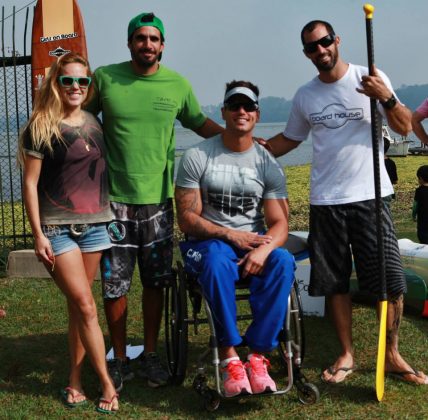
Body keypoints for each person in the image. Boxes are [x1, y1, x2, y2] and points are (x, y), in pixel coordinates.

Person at [267, 20, 428, 385]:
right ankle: (346, 354)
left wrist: (384, 96)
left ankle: (391, 354)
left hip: (371, 198)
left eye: (325, 42)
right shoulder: (306, 95)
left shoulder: (368, 77)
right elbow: (289, 140)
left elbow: (404, 127)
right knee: (335, 282)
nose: (320, 50)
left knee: (390, 282)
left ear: (336, 40)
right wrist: (250, 147)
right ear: (306, 53)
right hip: (326, 201)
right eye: (311, 47)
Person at [86, 12, 223, 390]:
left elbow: (199, 122)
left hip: (159, 204)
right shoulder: (105, 78)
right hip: (112, 202)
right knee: (115, 285)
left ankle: (148, 355)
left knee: (155, 282)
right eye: (140, 38)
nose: (147, 44)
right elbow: (80, 118)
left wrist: (237, 139)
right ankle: (118, 357)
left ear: (163, 45)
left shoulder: (176, 85)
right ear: (130, 43)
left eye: (154, 39)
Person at [175, 80, 295, 397]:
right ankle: (229, 355)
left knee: (282, 260)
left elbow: (280, 222)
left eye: (249, 106)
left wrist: (264, 249)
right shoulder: (198, 156)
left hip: (253, 242)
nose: (242, 111)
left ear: (256, 113)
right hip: (209, 242)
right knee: (215, 260)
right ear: (224, 111)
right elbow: (186, 217)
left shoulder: (267, 163)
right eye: (235, 105)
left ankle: (257, 355)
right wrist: (230, 234)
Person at [18, 52, 119, 413]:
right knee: (86, 305)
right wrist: (38, 234)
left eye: (82, 81)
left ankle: (74, 380)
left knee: (79, 307)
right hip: (56, 230)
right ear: (55, 84)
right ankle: (107, 383)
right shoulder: (40, 126)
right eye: (67, 80)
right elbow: (29, 185)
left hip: (95, 227)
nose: (76, 87)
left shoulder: (95, 121)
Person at [412, 165, 428, 244]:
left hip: (423, 220)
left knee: (423, 237)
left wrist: (413, 215)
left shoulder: (419, 191)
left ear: (421, 178)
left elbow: (415, 205)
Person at [383, 137, 397, 204]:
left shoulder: (372, 162)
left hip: (373, 192)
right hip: (388, 192)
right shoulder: (391, 163)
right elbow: (395, 181)